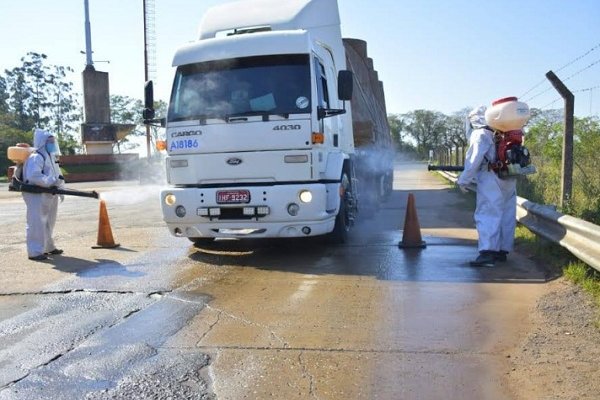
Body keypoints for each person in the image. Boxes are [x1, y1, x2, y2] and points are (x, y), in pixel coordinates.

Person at [457, 106, 517, 267]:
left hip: (491, 178)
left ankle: (488, 253)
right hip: (509, 177)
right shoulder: (502, 132)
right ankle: (501, 252)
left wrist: (463, 181)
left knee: (488, 214)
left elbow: (473, 160)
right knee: (506, 214)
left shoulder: (481, 134)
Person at [22, 128, 65, 261]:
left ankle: (48, 247)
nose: (52, 144)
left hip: (50, 193)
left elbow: (58, 174)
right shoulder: (36, 157)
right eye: (49, 141)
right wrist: (52, 181)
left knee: (48, 222)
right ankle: (34, 252)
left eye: (53, 141)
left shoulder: (52, 157)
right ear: (42, 142)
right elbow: (34, 176)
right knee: (37, 222)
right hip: (37, 194)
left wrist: (61, 187)